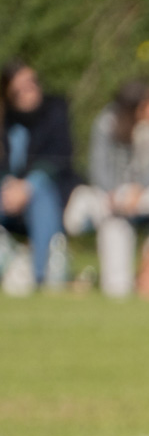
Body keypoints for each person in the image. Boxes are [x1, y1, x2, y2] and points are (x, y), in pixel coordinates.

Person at [66, 81, 149, 233]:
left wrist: (139, 188)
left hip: (143, 193)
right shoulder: (108, 122)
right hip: (112, 193)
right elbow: (98, 165)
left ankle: (96, 206)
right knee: (113, 240)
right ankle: (96, 205)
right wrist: (113, 192)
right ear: (135, 109)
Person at [1, 60, 75, 290]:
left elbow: (58, 158)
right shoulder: (5, 121)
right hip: (7, 192)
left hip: (49, 189)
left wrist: (27, 186)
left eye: (33, 83)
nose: (30, 90)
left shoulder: (55, 111)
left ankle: (41, 276)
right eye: (21, 87)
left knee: (41, 197)